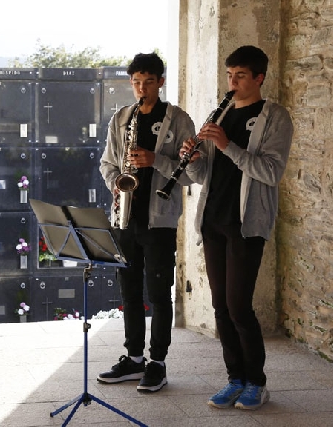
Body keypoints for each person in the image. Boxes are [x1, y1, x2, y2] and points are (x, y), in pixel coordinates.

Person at [182, 45, 293, 410]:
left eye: (240, 76)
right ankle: (234, 378)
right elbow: (203, 176)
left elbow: (270, 172)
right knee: (219, 306)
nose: (232, 82)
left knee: (238, 305)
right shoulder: (222, 113)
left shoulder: (274, 116)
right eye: (229, 75)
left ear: (259, 78)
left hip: (246, 224)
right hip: (213, 219)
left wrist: (227, 145)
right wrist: (194, 158)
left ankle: (256, 382)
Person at [98, 52, 195, 392]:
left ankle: (158, 363)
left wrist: (156, 159)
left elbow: (193, 173)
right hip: (125, 217)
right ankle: (134, 358)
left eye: (148, 82)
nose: (141, 89)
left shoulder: (178, 119)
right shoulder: (122, 118)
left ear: (161, 82)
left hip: (159, 221)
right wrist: (115, 182)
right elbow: (107, 162)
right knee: (129, 290)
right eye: (136, 82)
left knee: (158, 293)